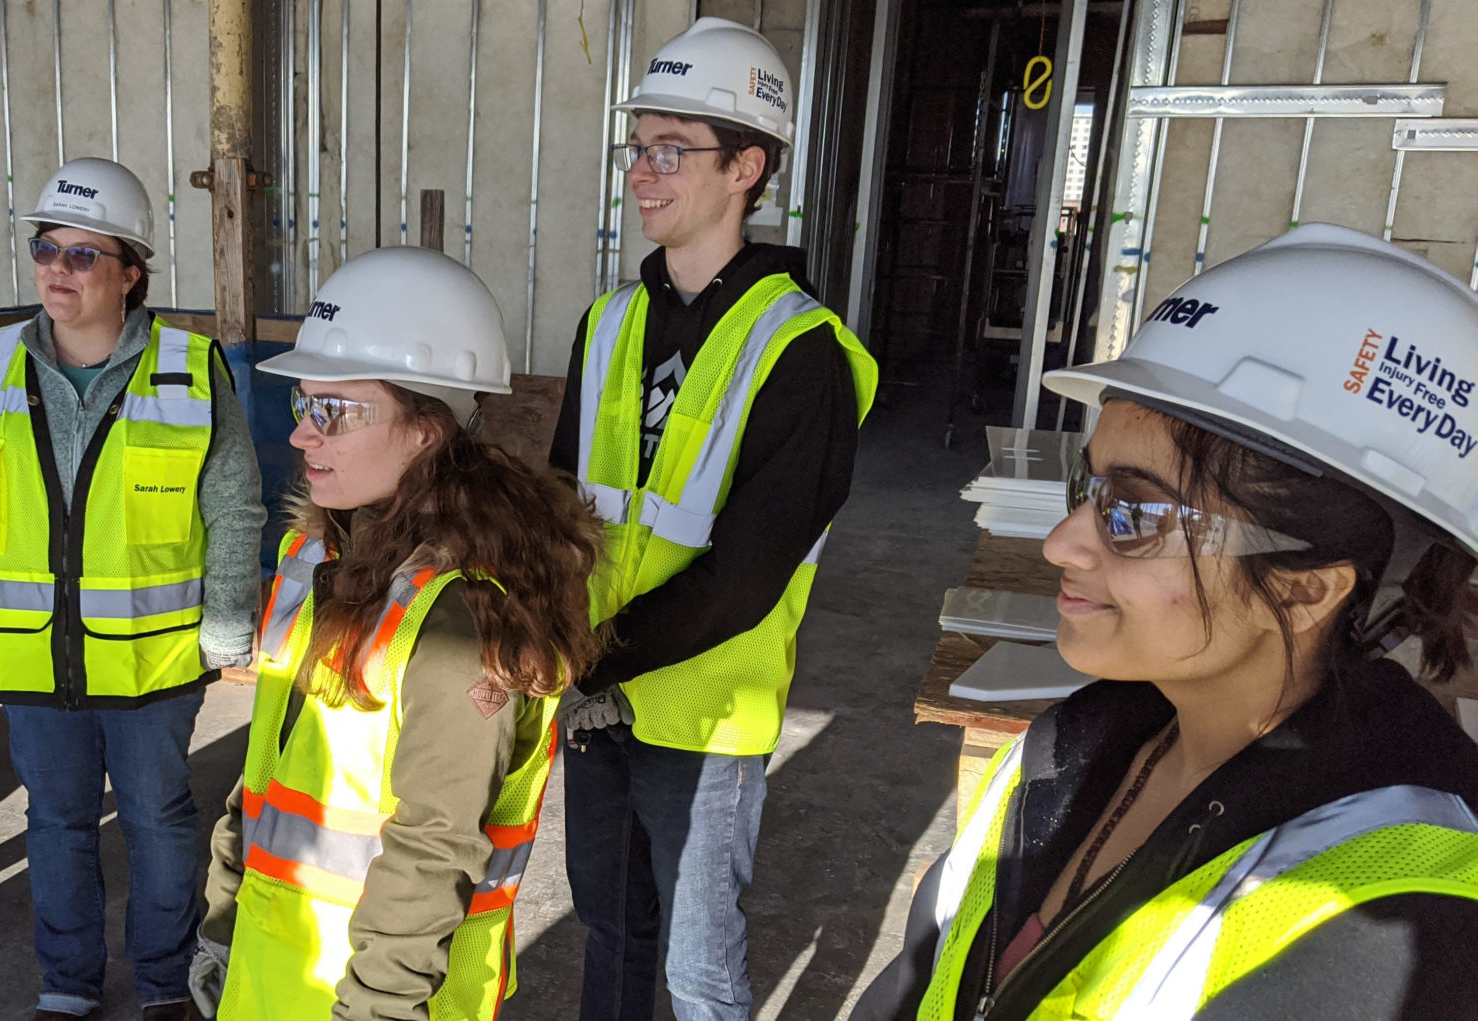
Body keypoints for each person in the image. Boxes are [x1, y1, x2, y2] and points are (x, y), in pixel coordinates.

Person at [850, 223, 1478, 1020]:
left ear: (1306, 588)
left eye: (1135, 511)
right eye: (1090, 486)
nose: (1060, 542)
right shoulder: (1065, 751)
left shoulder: (1396, 922)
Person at [547, 16, 878, 1021]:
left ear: (746, 166)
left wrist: (588, 660)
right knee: (608, 933)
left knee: (698, 970)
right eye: (636, 147)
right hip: (595, 694)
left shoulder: (801, 350)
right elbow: (559, 505)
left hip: (703, 713)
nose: (643, 174)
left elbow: (746, 573)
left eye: (670, 150)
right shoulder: (607, 322)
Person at [189, 246, 607, 1020]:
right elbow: (269, 768)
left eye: (334, 410)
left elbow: (433, 846)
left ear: (426, 428)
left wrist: (376, 1009)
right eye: (302, 405)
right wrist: (221, 914)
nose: (302, 437)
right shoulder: (317, 555)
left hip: (374, 997)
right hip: (270, 962)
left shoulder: (464, 615)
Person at [0, 156, 264, 1021]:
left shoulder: (192, 368)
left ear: (130, 271)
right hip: (33, 657)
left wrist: (228, 619)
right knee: (57, 823)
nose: (56, 269)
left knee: (159, 820)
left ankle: (163, 984)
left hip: (152, 666)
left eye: (82, 255)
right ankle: (66, 986)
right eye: (46, 248)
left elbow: (233, 503)